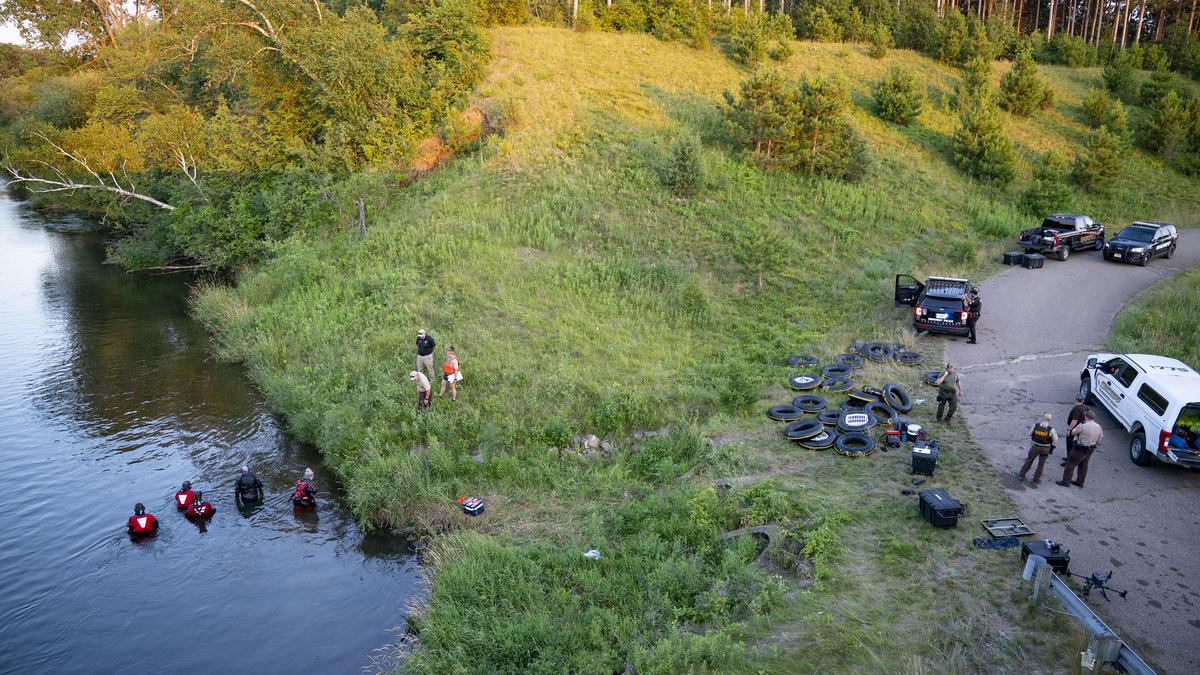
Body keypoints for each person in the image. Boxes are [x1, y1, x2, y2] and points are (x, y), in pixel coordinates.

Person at [1058, 409, 1103, 488]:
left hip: (1080, 448)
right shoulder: (1099, 427)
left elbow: (1073, 432)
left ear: (1086, 417)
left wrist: (1078, 427)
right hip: (1090, 449)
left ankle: (1066, 481)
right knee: (1083, 465)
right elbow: (1100, 438)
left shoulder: (1083, 426)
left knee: (1070, 464)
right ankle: (1080, 482)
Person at [1018, 413, 1059, 487]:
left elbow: (1029, 433)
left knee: (1029, 460)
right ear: (1050, 420)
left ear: (1043, 418)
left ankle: (1021, 475)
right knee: (1041, 464)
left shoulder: (1036, 426)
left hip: (1034, 447)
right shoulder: (1051, 430)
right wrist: (1052, 447)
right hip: (1045, 449)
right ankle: (1036, 480)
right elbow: (1055, 440)